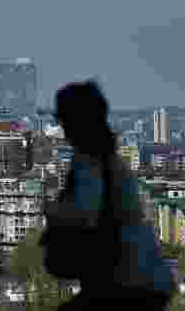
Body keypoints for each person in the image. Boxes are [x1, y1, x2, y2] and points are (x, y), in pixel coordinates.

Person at [45, 81, 173, 310]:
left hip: (128, 284)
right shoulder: (106, 160)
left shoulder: (92, 164)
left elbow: (89, 222)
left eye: (64, 120)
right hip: (141, 281)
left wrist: (58, 218)